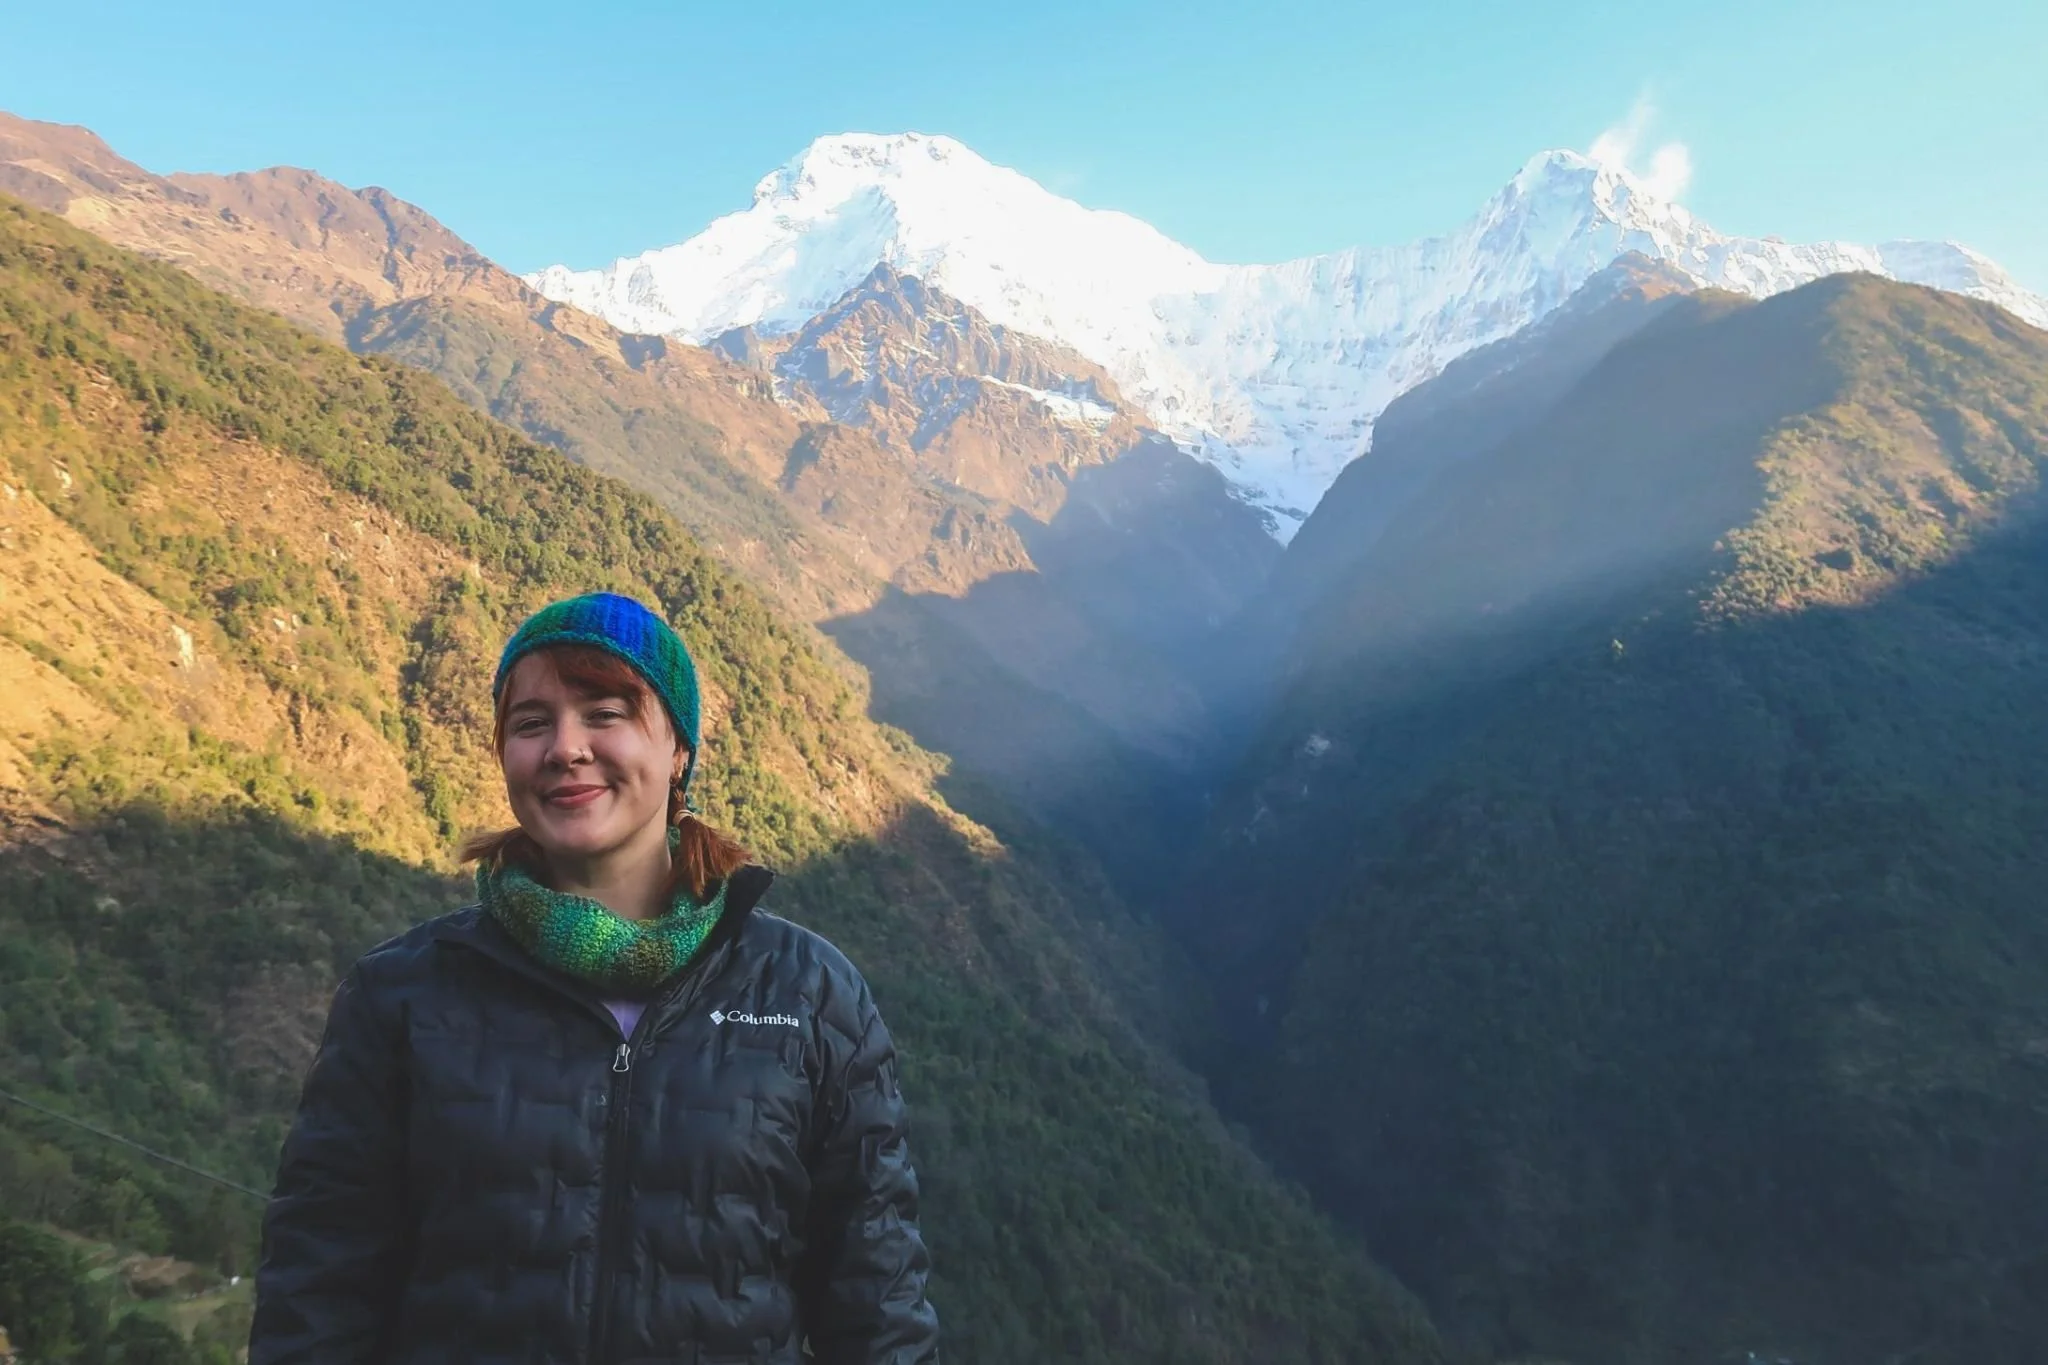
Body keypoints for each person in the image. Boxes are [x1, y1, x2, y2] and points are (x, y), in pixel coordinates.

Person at [250, 591, 939, 1364]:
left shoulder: (809, 995)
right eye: (531, 722)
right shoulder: (405, 995)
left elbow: (877, 1307)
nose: (565, 747)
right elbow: (317, 1293)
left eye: (604, 712)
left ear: (678, 748)